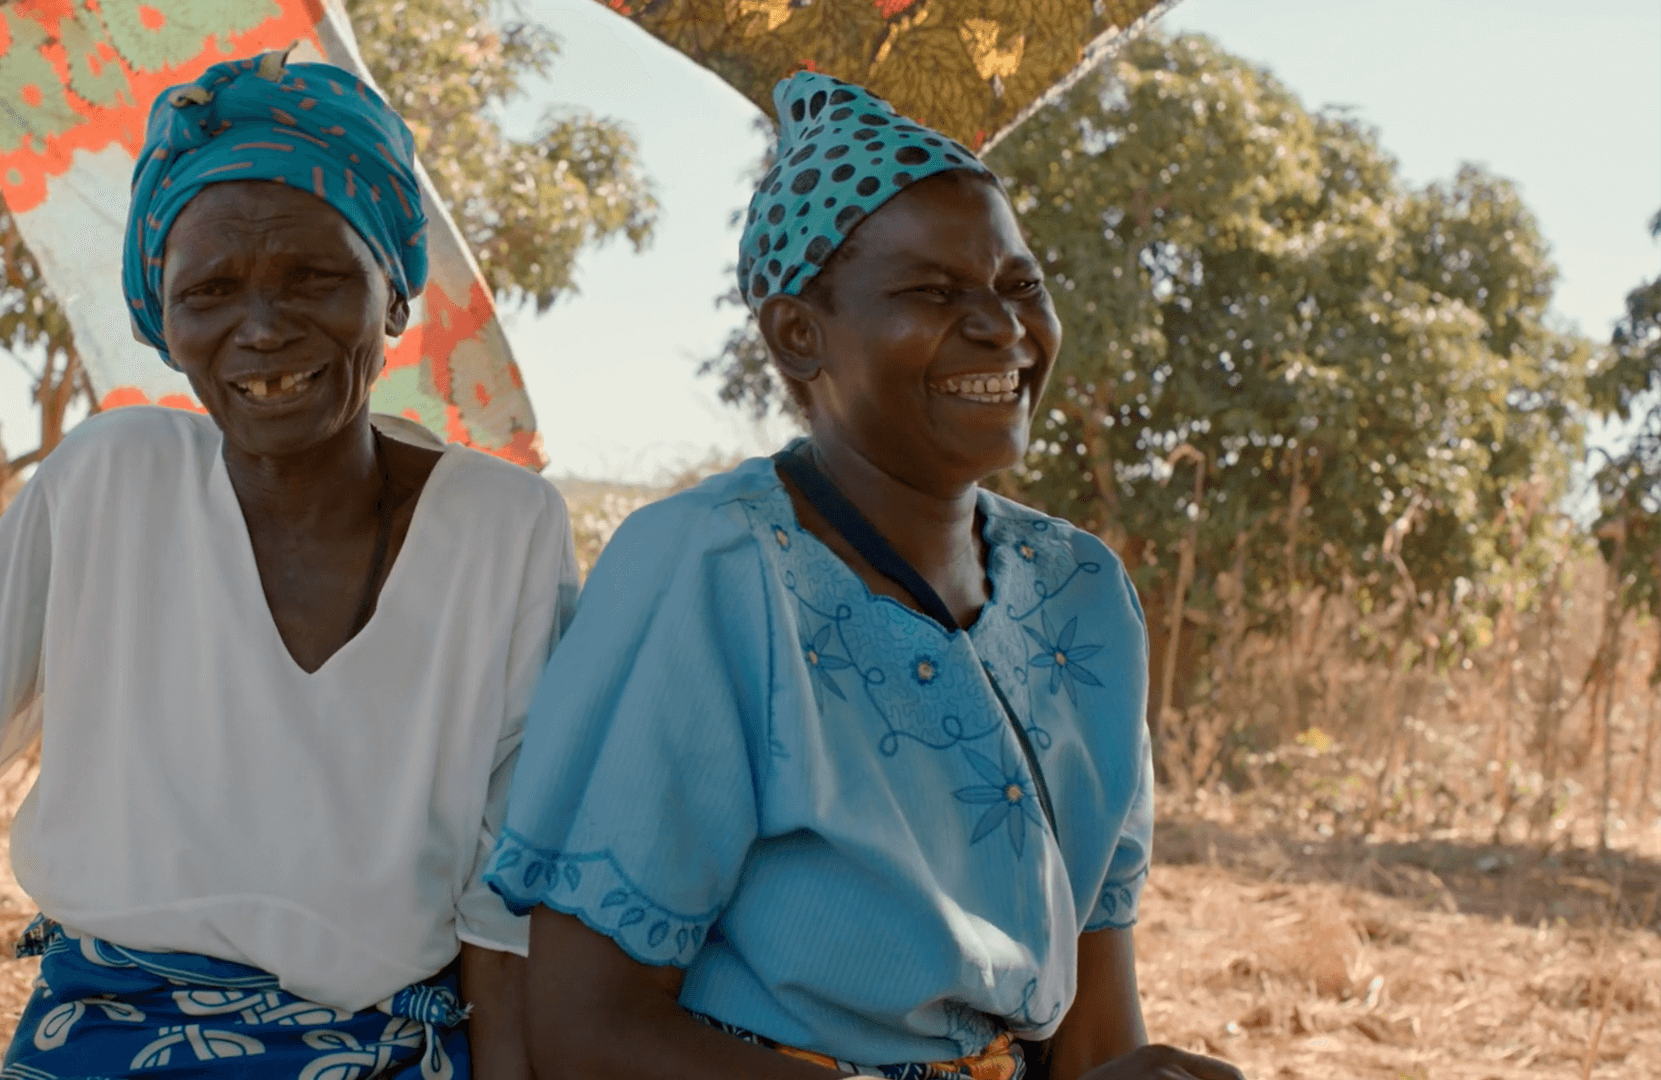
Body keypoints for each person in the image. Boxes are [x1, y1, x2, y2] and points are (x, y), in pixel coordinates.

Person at [0, 50, 573, 1080]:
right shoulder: (109, 483)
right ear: (163, 323)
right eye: (210, 289)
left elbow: (502, 912)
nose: (261, 328)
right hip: (103, 1045)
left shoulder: (505, 530)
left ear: (393, 295)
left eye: (314, 276)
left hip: (388, 1056)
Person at [485, 73, 1245, 1080]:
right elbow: (590, 1031)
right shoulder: (710, 572)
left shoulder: (1083, 593)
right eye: (933, 293)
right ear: (798, 333)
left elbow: (1095, 1010)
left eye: (1021, 285)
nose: (1002, 329)